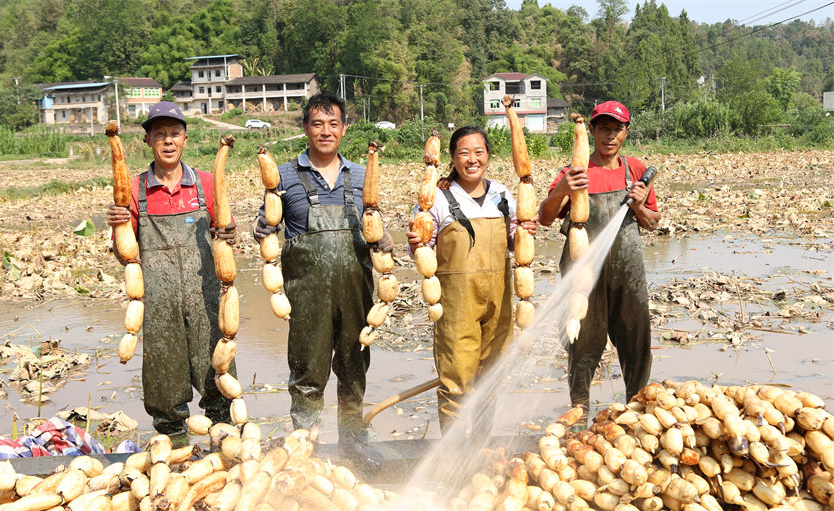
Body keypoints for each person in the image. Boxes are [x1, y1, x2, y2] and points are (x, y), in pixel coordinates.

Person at [253, 93, 393, 474]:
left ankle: (353, 445)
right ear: (305, 128)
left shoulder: (363, 177)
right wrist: (260, 228)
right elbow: (265, 225)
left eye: (333, 124)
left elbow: (376, 229)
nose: (326, 131)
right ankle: (305, 451)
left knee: (353, 371)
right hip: (305, 296)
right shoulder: (281, 176)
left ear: (344, 129)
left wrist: (387, 242)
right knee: (307, 375)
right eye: (317, 123)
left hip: (355, 294)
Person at [106, 101, 237, 443]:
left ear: (185, 139)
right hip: (159, 307)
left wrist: (229, 233)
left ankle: (223, 452)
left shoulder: (206, 184)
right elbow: (125, 257)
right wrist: (119, 227)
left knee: (218, 380)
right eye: (159, 134)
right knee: (165, 390)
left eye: (174, 134)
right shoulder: (134, 192)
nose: (167, 141)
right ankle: (175, 450)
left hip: (207, 300)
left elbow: (226, 236)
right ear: (147, 140)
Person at [406, 126, 537, 440]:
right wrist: (415, 242)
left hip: (500, 302)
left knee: (491, 376)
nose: (472, 159)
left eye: (479, 151)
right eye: (464, 152)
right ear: (452, 157)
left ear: (488, 155)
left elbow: (513, 243)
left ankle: (480, 446)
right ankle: (450, 455)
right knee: (456, 379)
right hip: (456, 306)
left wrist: (525, 230)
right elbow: (421, 248)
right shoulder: (436, 197)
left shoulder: (503, 194)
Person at [538, 101, 660, 423]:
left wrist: (639, 206)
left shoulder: (635, 170)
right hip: (583, 277)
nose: (610, 135)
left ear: (626, 132)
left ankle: (636, 416)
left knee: (636, 343)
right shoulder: (573, 172)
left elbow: (652, 222)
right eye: (603, 128)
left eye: (616, 129)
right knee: (581, 347)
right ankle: (579, 416)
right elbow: (545, 218)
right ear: (591, 131)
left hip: (627, 274)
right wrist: (562, 189)